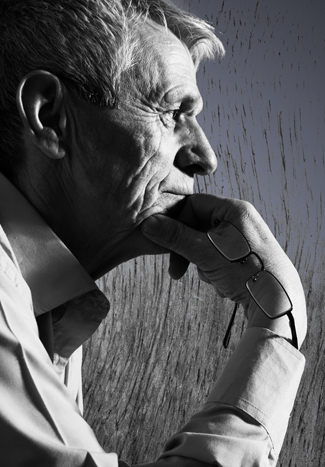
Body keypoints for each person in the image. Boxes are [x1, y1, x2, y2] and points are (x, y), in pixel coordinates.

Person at [0, 0, 306, 466]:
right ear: (51, 118)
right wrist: (276, 329)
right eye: (171, 112)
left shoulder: (51, 308)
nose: (205, 158)